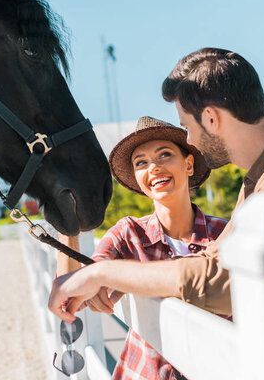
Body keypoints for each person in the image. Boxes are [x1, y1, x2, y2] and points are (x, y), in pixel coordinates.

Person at [48, 47, 264, 324]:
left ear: (211, 118)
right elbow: (209, 261)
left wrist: (103, 273)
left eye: (187, 127)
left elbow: (222, 282)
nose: (190, 140)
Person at [57, 116, 227, 379]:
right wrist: (67, 223)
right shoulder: (129, 234)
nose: (154, 167)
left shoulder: (226, 234)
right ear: (137, 178)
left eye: (164, 155)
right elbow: (70, 292)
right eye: (141, 163)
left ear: (189, 164)